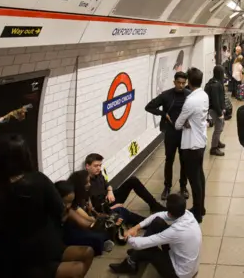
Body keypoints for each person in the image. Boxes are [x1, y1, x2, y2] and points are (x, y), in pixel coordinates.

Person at [0, 135, 94, 278]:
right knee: (81, 262)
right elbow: (61, 214)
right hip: (34, 259)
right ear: (25, 157)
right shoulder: (38, 181)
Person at [108, 193, 201, 277]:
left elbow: (139, 244)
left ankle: (131, 263)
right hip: (188, 264)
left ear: (170, 212)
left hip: (179, 274)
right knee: (157, 222)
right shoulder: (187, 214)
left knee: (150, 249)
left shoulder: (176, 231)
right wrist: (136, 227)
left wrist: (126, 236)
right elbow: (158, 215)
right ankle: (136, 256)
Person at [145, 71, 191, 201]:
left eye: (183, 83)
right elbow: (149, 107)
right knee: (169, 160)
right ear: (174, 82)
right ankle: (167, 187)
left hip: (184, 132)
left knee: (184, 161)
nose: (181, 86)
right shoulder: (166, 95)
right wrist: (163, 114)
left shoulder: (189, 96)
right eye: (178, 83)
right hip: (171, 132)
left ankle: (183, 187)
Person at [175, 68, 208, 223]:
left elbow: (177, 124)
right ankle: (201, 207)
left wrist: (185, 122)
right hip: (201, 142)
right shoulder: (204, 95)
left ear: (189, 82)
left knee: (194, 180)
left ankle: (197, 213)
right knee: (200, 177)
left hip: (191, 146)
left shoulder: (190, 101)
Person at [85, 153, 165, 215]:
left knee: (133, 180)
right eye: (96, 166)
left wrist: (110, 191)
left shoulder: (98, 173)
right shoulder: (85, 183)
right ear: (87, 166)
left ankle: (154, 205)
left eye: (100, 165)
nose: (99, 168)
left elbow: (107, 184)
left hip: (111, 197)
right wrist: (114, 208)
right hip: (106, 207)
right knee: (132, 217)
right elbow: (94, 209)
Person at [55, 179, 115, 256]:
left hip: (75, 230)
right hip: (63, 238)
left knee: (101, 234)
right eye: (65, 202)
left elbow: (85, 222)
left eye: (70, 202)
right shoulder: (62, 211)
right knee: (96, 239)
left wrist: (100, 222)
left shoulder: (72, 207)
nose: (67, 205)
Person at [204, 65, 226, 156]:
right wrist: (220, 113)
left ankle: (217, 141)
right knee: (218, 128)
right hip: (215, 109)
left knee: (221, 125)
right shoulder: (216, 85)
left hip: (214, 108)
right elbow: (216, 100)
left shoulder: (212, 81)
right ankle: (214, 148)